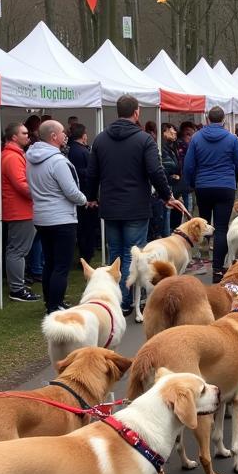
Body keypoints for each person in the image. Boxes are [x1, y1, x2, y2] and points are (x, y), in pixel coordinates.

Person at [87, 95, 185, 314]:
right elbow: (155, 170)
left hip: (111, 205)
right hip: (136, 206)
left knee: (116, 255)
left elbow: (92, 173)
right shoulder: (144, 140)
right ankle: (126, 301)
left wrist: (92, 196)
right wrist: (166, 195)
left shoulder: (101, 140)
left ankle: (117, 299)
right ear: (136, 112)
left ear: (117, 112)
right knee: (133, 255)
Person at [26, 120, 89, 314]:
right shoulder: (58, 161)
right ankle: (56, 304)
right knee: (61, 265)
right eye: (63, 132)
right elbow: (71, 191)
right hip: (61, 218)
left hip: (42, 216)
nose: (65, 135)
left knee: (50, 262)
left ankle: (50, 302)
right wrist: (84, 199)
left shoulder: (30, 158)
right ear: (54, 136)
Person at [184, 107, 238, 282]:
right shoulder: (232, 139)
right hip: (225, 186)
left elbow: (188, 165)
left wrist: (190, 183)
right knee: (221, 228)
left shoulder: (196, 138)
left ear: (207, 119)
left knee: (203, 224)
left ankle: (202, 258)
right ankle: (218, 268)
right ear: (224, 120)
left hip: (203, 185)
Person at [0, 122, 39, 302]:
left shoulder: (13, 155)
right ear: (14, 137)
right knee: (17, 250)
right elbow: (22, 184)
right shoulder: (12, 157)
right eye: (24, 133)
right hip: (20, 210)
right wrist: (41, 194)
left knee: (17, 249)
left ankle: (18, 285)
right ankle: (17, 288)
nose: (27, 135)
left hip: (21, 208)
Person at [67, 123, 99, 263]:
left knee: (84, 228)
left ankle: (85, 254)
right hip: (85, 194)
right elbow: (82, 172)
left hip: (82, 193)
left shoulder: (75, 149)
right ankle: (86, 255)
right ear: (83, 135)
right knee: (87, 228)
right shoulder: (80, 151)